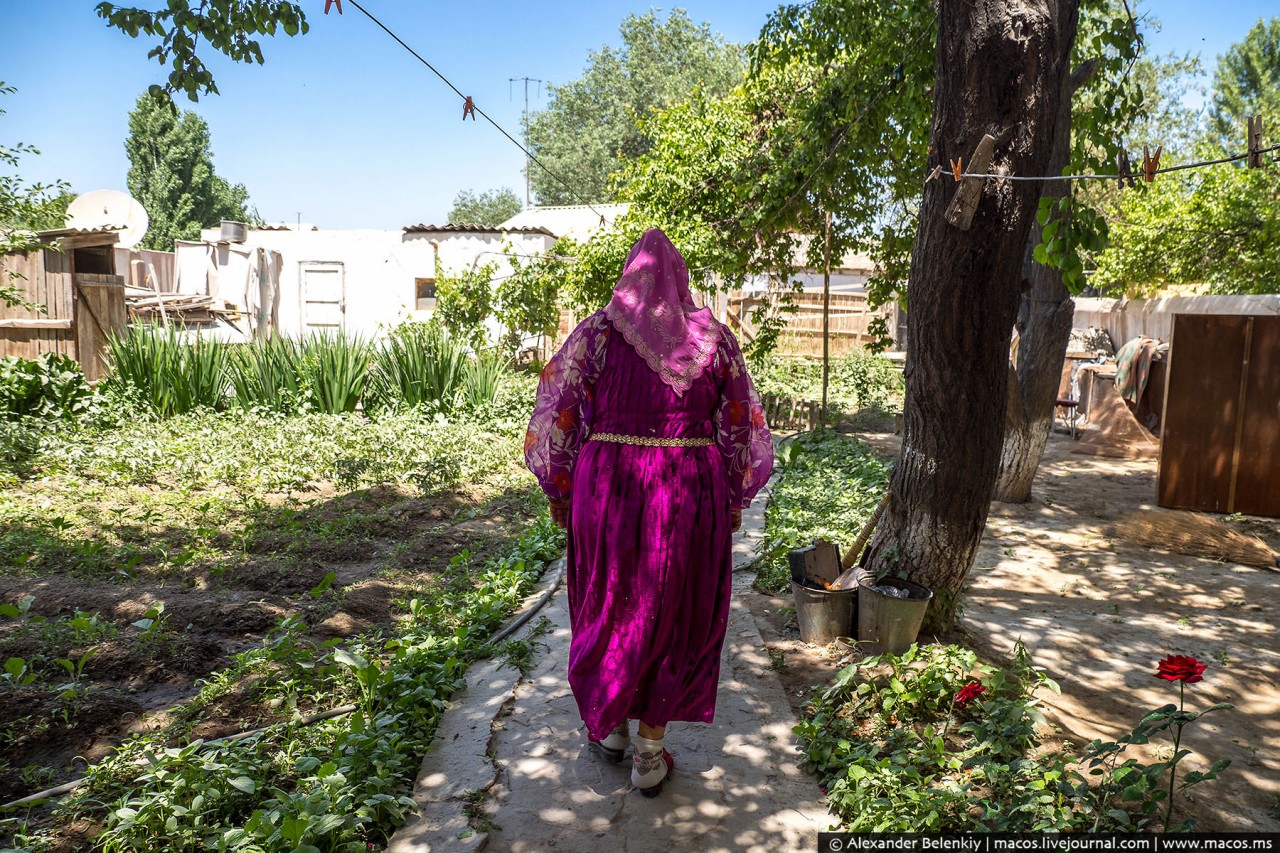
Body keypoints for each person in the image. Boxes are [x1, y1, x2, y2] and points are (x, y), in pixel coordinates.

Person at [524, 229, 773, 797]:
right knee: (675, 610)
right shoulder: (715, 341)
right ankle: (649, 751)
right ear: (680, 280)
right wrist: (734, 496)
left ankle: (610, 728)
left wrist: (560, 489)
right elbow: (739, 420)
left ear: (630, 280)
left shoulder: (597, 333)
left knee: (610, 604)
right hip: (690, 489)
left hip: (608, 487)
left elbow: (558, 407)